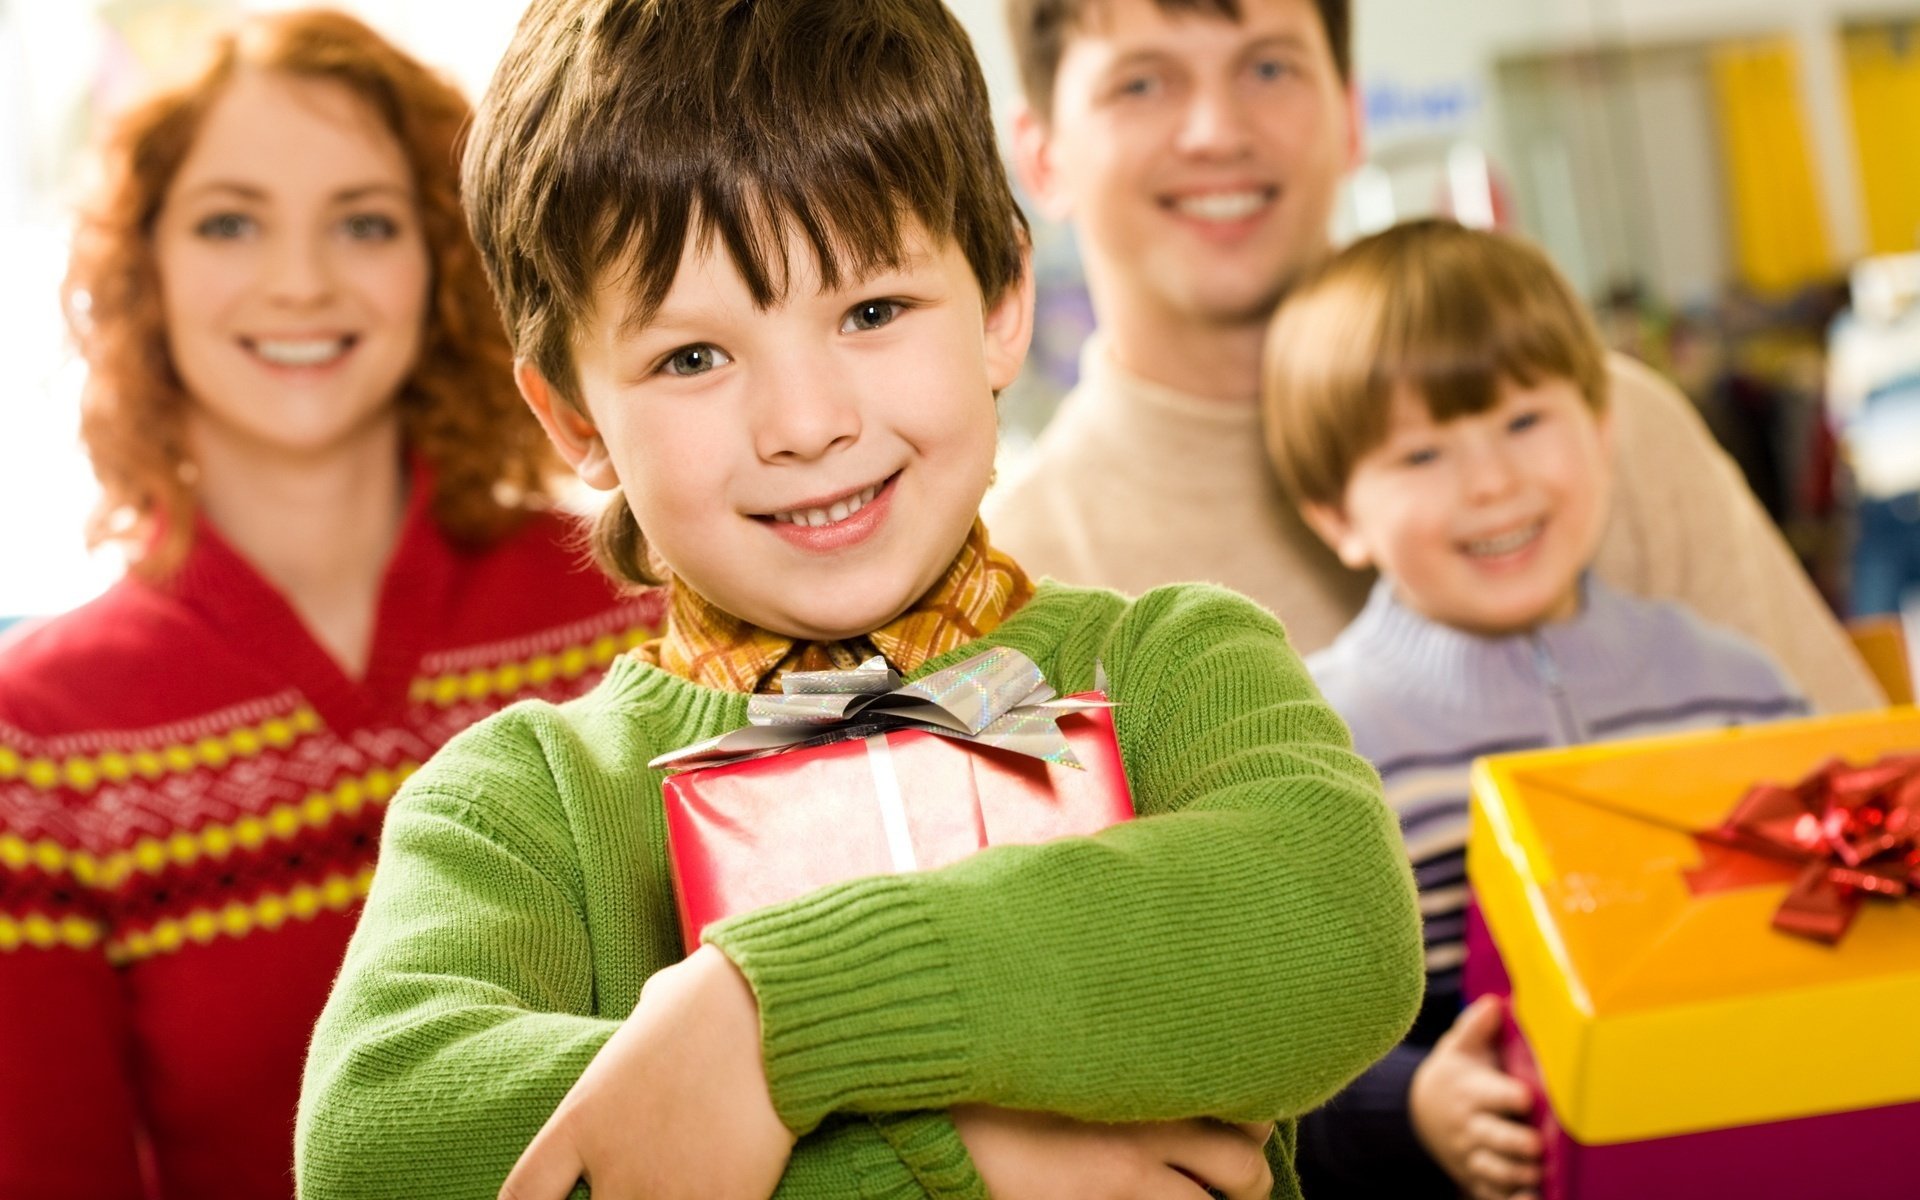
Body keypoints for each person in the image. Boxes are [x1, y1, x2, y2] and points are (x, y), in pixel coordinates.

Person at [293, 1, 1427, 1197]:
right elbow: (379, 1148)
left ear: (1002, 304)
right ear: (575, 420)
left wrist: (770, 1021)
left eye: (872, 312)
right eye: (692, 357)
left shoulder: (1173, 663)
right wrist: (954, 1154)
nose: (806, 423)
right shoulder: (518, 806)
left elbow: (1337, 926)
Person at [0, 12, 661, 1199]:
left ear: (446, 258)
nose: (300, 282)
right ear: (143, 272)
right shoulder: (37, 743)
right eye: (229, 222)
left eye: (364, 222)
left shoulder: (640, 601)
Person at [988, 0, 1882, 714]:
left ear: (1350, 117)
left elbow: (1861, 798)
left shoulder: (1600, 425)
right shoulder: (1018, 577)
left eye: (1268, 67)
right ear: (1041, 156)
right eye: (1142, 84)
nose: (1217, 130)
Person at [1262, 220, 1808, 1199]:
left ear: (1600, 429)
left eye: (1523, 423)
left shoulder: (1742, 691)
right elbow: (1276, 1049)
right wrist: (1412, 1101)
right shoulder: (1312, 747)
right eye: (1422, 454)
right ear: (1338, 515)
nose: (1493, 483)